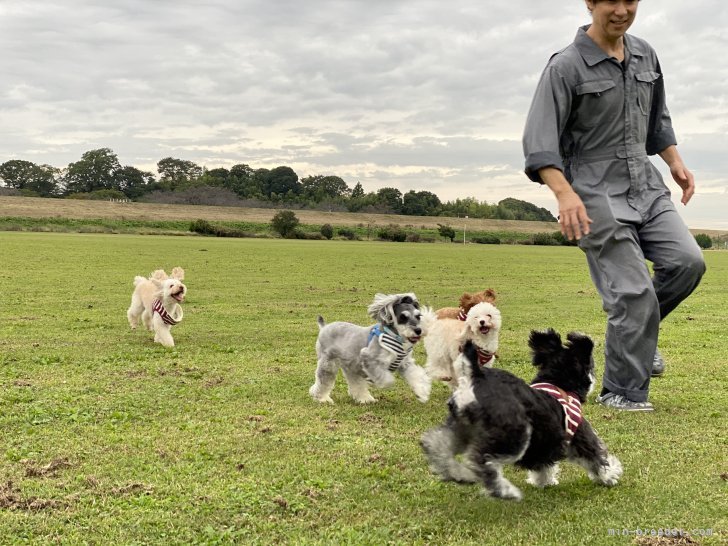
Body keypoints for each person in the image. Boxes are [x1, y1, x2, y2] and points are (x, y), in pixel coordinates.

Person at [522, 0, 705, 411]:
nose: (622, 10)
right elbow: (538, 142)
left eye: (631, 0)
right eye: (611, 0)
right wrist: (564, 193)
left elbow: (658, 120)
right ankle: (621, 392)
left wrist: (675, 162)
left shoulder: (645, 53)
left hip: (645, 184)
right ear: (590, 2)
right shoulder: (565, 67)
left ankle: (637, 340)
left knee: (687, 263)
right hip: (593, 192)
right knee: (633, 293)